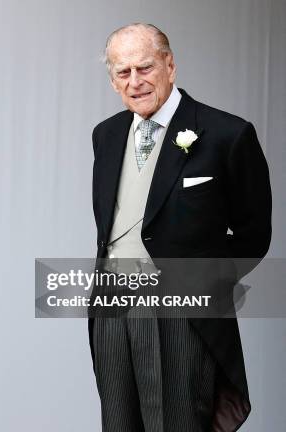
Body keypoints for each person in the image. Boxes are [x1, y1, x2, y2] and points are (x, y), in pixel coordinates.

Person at [89, 24, 271, 431]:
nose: (135, 82)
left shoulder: (228, 134)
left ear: (170, 65)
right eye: (123, 72)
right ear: (113, 81)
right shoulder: (106, 135)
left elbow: (254, 234)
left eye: (145, 67)